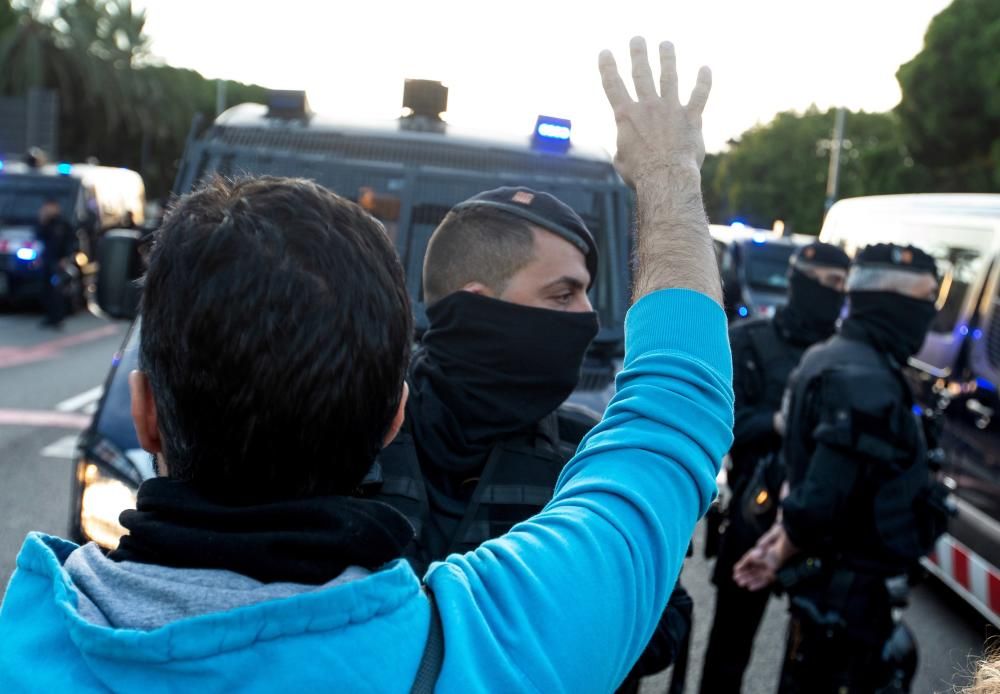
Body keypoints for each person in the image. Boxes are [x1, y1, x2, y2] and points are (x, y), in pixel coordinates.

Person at [0, 38, 733, 691]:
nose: (583, 318)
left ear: (146, 412)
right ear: (393, 419)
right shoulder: (499, 644)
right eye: (564, 293)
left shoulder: (24, 645)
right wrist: (669, 173)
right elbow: (675, 414)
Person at [372, 185, 693, 692]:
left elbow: (666, 617)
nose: (589, 318)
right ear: (478, 309)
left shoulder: (585, 450)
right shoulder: (360, 431)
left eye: (586, 293)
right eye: (563, 294)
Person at [734, 243, 953, 693]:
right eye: (925, 299)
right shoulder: (862, 378)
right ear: (891, 302)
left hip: (831, 586)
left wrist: (779, 543)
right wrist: (780, 547)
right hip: (845, 595)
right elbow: (823, 492)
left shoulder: (834, 355)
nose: (929, 312)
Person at [699, 241, 849, 694]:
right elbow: (723, 423)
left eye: (841, 286)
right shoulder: (750, 340)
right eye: (824, 284)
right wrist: (781, 422)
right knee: (730, 645)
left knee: (811, 652)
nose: (832, 294)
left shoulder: (844, 355)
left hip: (818, 514)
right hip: (753, 508)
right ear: (798, 281)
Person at [36, 198, 75, 327]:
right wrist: (42, 221)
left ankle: (58, 318)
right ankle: (50, 317)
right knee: (46, 289)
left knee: (57, 290)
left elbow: (70, 242)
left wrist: (66, 258)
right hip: (47, 260)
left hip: (59, 261)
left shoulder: (63, 223)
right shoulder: (46, 223)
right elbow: (39, 236)